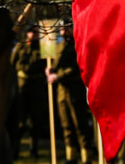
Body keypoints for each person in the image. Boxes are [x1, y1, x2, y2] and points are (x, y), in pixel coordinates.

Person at [45, 24, 91, 164]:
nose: (64, 32)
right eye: (62, 29)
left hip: (75, 90)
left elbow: (76, 68)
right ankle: (71, 156)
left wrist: (57, 76)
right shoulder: (59, 47)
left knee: (79, 124)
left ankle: (86, 156)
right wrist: (50, 69)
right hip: (62, 92)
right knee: (66, 125)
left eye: (66, 29)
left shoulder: (78, 46)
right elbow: (55, 63)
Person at [12, 24, 47, 158]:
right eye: (32, 32)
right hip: (23, 86)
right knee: (20, 121)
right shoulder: (20, 46)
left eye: (36, 32)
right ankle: (16, 149)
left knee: (35, 121)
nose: (34, 34)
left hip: (37, 87)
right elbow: (13, 62)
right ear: (27, 33)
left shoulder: (44, 48)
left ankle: (34, 149)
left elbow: (47, 63)